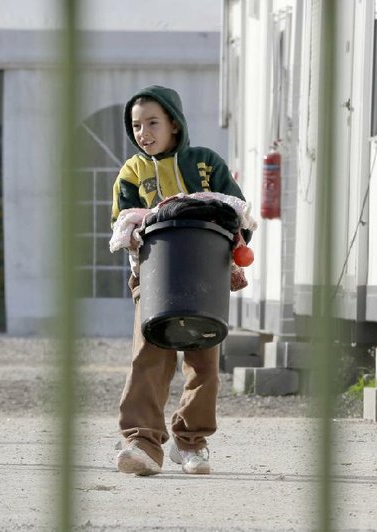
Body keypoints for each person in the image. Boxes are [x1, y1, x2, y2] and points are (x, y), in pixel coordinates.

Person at [111, 85, 248, 476]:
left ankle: (191, 442)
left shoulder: (206, 162)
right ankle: (142, 442)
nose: (144, 132)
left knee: (203, 357)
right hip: (153, 274)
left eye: (152, 122)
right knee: (149, 354)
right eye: (136, 125)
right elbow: (120, 222)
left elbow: (237, 211)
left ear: (174, 122)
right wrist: (133, 234)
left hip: (205, 273)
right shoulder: (132, 172)